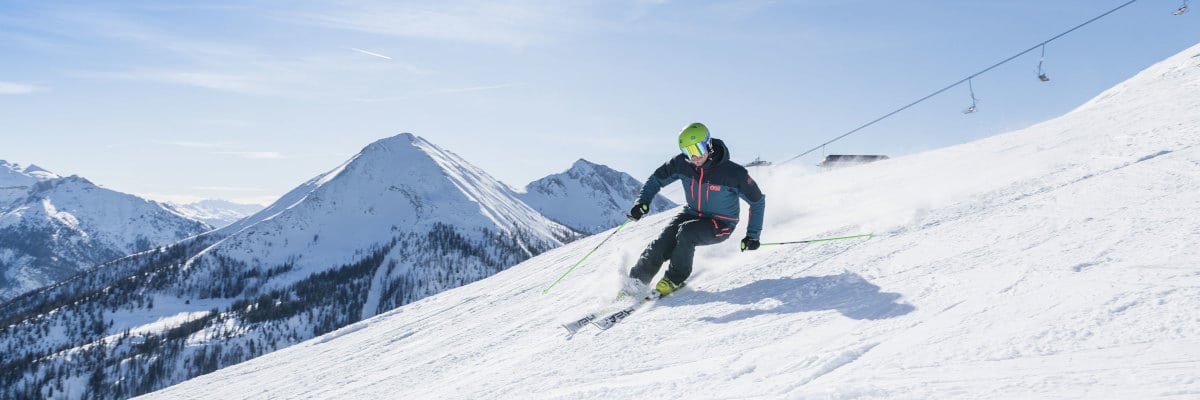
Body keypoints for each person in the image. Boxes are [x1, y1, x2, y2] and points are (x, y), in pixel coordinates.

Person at [622, 122, 766, 298]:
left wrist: (753, 235)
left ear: (708, 144)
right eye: (688, 151)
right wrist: (641, 203)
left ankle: (674, 278)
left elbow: (757, 202)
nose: (694, 156)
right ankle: (637, 280)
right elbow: (656, 180)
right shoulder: (682, 164)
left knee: (687, 233)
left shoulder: (733, 173)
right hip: (692, 213)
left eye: (697, 149)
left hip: (721, 223)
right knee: (662, 241)